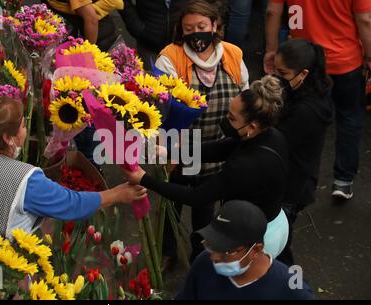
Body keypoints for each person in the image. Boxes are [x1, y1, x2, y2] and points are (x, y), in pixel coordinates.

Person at [0, 98, 147, 299]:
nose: (25, 128)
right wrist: (117, 194)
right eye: (21, 125)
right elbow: (73, 205)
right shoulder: (25, 179)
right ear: (8, 138)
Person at [123, 76, 290, 264]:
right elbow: (220, 148)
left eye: (232, 118)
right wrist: (172, 152)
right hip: (274, 220)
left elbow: (196, 196)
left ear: (252, 126)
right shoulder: (270, 135)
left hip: (258, 238)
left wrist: (144, 179)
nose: (226, 120)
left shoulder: (245, 166)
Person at [152, 0, 250, 270]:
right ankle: (167, 252)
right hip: (181, 148)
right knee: (173, 202)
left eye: (202, 26)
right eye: (189, 28)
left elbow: (245, 93)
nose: (196, 33)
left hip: (218, 147)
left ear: (215, 25)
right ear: (180, 31)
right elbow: (161, 106)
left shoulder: (233, 55)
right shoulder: (169, 58)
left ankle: (201, 256)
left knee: (205, 207)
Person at [264, 0, 371, 200]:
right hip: (346, 60)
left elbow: (272, 11)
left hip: (304, 63)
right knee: (349, 119)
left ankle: (300, 182)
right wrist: (370, 56)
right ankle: (343, 180)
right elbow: (365, 19)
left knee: (305, 121)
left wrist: (272, 51)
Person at [272, 39, 334, 266]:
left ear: (303, 74)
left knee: (277, 246)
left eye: (282, 72)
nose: (276, 77)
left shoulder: (307, 111)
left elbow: (277, 141)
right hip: (296, 182)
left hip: (290, 188)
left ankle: (289, 286)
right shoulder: (311, 93)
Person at [175, 200, 314, 300]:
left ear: (255, 250)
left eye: (227, 250)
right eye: (211, 245)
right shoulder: (204, 263)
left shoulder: (293, 289)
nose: (214, 257)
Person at [119, 0, 189, 68]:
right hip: (149, 45)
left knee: (182, 78)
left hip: (182, 43)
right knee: (149, 77)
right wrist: (136, 26)